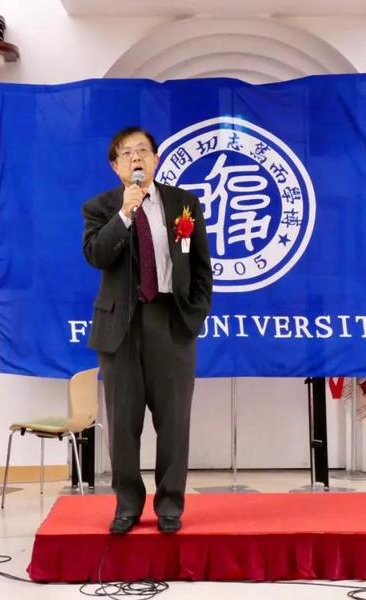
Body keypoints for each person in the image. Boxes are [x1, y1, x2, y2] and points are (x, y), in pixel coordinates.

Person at [82, 126, 212, 534]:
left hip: (171, 321)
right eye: (126, 153)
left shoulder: (184, 204)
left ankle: (170, 504)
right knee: (123, 423)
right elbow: (97, 255)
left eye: (143, 150)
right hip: (121, 326)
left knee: (173, 421)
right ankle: (127, 504)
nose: (136, 158)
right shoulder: (101, 207)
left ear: (156, 159)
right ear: (115, 165)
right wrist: (125, 213)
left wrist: (193, 315)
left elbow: (202, 267)